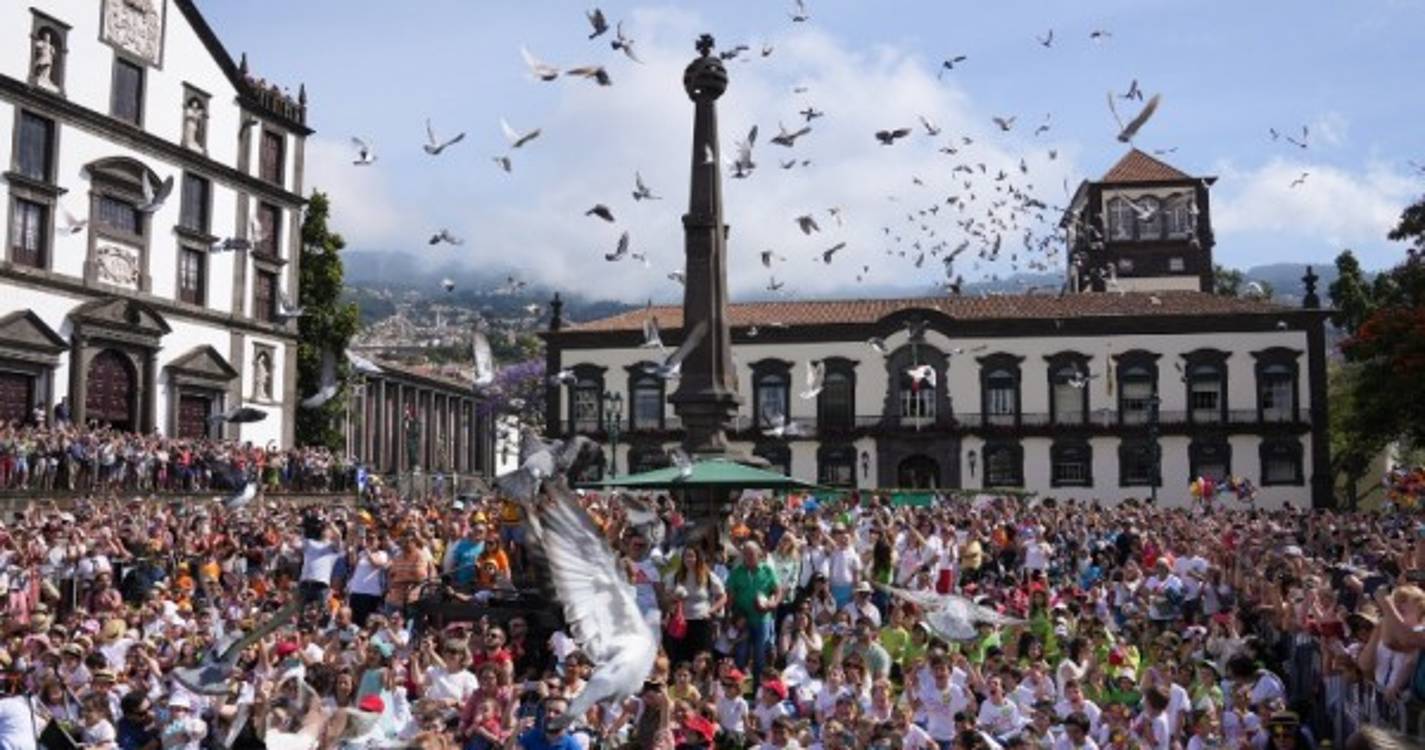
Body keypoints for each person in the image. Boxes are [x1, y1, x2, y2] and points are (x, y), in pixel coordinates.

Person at [725, 542, 781, 685]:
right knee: (741, 655)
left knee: (760, 657)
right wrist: (728, 618)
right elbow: (730, 597)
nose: (748, 557)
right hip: (742, 620)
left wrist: (773, 603)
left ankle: (758, 690)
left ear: (759, 554)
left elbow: (778, 590)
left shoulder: (767, 570)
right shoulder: (737, 572)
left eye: (751, 554)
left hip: (762, 619)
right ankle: (739, 689)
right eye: (745, 554)